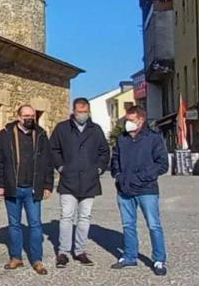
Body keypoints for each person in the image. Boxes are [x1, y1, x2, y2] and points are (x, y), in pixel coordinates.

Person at [0, 104, 54, 275]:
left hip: (33, 188)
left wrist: (48, 185)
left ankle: (37, 259)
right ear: (18, 117)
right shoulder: (5, 134)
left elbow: (48, 161)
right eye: (26, 116)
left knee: (35, 224)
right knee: (14, 224)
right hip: (13, 187)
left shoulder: (40, 135)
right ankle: (16, 257)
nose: (29, 119)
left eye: (32, 116)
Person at [50, 97, 110, 268]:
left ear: (89, 112)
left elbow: (104, 151)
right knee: (66, 217)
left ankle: (80, 251)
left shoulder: (95, 129)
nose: (82, 115)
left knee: (84, 217)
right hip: (69, 180)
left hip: (90, 181)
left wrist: (99, 169)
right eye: (79, 112)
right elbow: (53, 148)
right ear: (73, 112)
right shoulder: (62, 128)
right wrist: (61, 167)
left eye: (85, 112)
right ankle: (62, 252)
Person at [110, 106, 169, 275]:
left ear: (141, 120)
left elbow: (162, 164)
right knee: (128, 225)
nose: (127, 123)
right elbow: (115, 159)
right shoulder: (122, 139)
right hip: (124, 189)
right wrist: (118, 175)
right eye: (126, 120)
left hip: (147, 189)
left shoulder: (154, 138)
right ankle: (129, 256)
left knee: (154, 225)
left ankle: (159, 260)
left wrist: (142, 177)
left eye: (131, 120)